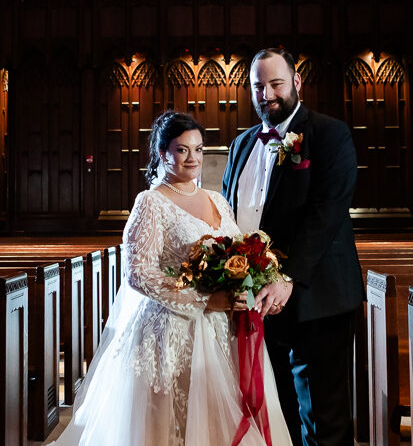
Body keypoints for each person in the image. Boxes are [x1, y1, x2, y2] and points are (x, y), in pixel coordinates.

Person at [49, 110, 292, 446]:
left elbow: (240, 257)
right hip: (172, 331)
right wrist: (205, 300)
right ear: (162, 153)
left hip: (223, 330)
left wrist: (252, 292)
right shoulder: (150, 202)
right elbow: (139, 274)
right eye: (182, 150)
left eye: (198, 149)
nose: (192, 158)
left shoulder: (218, 201)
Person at [222, 48, 363, 445]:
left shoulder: (329, 134)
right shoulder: (242, 144)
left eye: (276, 84)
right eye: (258, 86)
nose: (266, 94)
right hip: (260, 306)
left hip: (317, 301)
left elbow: (326, 214)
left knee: (323, 423)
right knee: (277, 419)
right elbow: (227, 217)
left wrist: (287, 277)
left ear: (297, 83)